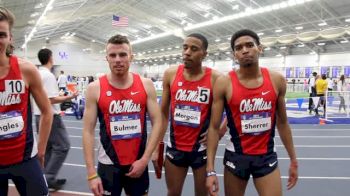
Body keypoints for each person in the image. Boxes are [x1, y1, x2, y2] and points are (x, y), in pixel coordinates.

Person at [206, 29, 298, 196]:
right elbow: (213, 128)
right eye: (239, 48)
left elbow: (283, 123)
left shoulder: (277, 80)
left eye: (249, 45)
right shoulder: (224, 83)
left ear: (259, 48)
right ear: (234, 54)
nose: (245, 50)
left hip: (266, 156)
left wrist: (293, 160)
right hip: (236, 157)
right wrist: (210, 170)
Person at [82, 34, 163, 196]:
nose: (118, 59)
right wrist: (91, 173)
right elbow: (87, 131)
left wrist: (145, 159)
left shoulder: (146, 85)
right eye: (113, 55)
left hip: (138, 161)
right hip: (108, 163)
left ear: (131, 57)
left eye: (123, 54)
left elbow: (158, 122)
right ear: (107, 58)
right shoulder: (94, 88)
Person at [156, 33, 221, 196]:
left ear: (204, 54)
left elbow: (233, 108)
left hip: (202, 149)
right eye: (185, 47)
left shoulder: (216, 78)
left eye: (194, 49)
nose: (187, 52)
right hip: (175, 148)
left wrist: (220, 131)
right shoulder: (170, 74)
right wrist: (157, 147)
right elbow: (162, 115)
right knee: (173, 193)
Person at [0, 7, 53, 195]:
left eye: (1, 35)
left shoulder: (26, 70)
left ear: (10, 38)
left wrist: (41, 150)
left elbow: (47, 111)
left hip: (25, 158)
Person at [33, 48, 78, 191]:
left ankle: (44, 176)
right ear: (50, 58)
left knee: (48, 147)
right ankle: (49, 177)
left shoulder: (37, 73)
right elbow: (51, 99)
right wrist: (69, 97)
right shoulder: (48, 75)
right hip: (50, 116)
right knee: (63, 146)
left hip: (37, 114)